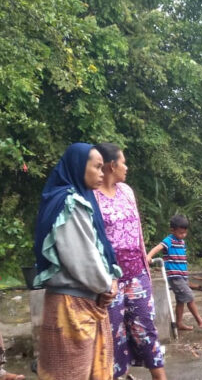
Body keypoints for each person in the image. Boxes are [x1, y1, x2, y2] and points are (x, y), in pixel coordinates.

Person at [33, 143, 122, 380]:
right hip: (71, 307)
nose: (102, 174)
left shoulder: (80, 199)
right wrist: (106, 285)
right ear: (77, 167)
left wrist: (108, 283)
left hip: (84, 301)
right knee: (70, 373)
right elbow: (83, 259)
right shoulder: (69, 204)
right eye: (96, 167)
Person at [93, 143, 166, 380]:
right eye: (123, 162)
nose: (127, 166)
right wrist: (100, 280)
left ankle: (160, 377)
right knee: (112, 334)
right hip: (109, 279)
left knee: (145, 327)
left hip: (137, 273)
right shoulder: (91, 196)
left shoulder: (126, 191)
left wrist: (145, 264)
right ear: (112, 165)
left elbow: (137, 231)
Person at [146, 215, 202, 331]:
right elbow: (157, 248)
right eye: (180, 233)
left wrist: (186, 275)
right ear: (172, 230)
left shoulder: (182, 242)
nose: (183, 235)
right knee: (189, 297)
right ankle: (200, 321)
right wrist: (149, 256)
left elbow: (182, 259)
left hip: (182, 276)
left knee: (181, 300)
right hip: (174, 276)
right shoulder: (169, 240)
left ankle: (179, 323)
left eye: (184, 233)